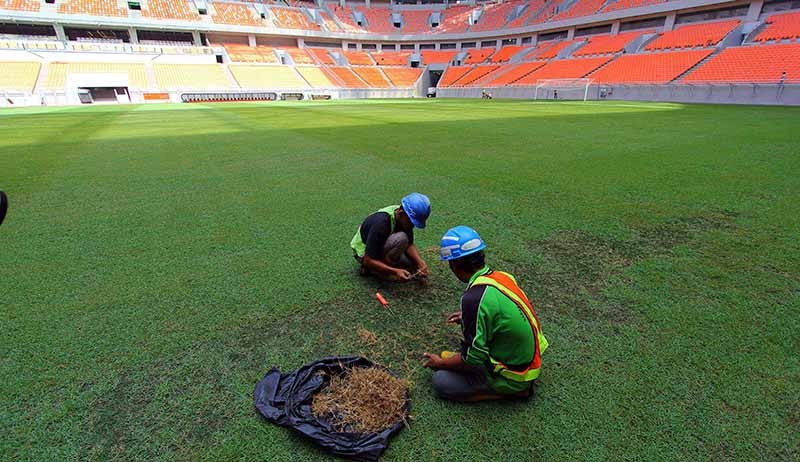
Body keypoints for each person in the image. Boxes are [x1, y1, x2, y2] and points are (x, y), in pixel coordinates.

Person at [423, 226, 549, 402]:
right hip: (526, 358)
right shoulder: (503, 276)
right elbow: (501, 313)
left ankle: (507, 391)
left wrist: (440, 363)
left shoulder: (473, 299)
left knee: (441, 380)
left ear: (454, 265)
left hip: (514, 374)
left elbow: (473, 358)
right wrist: (468, 317)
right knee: (453, 360)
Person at [350, 193, 431, 282]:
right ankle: (373, 270)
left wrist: (420, 262)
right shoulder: (381, 223)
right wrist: (395, 271)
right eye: (411, 222)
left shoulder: (403, 215)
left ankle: (385, 265)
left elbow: (409, 244)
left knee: (410, 263)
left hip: (381, 243)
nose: (412, 226)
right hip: (363, 254)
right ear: (401, 213)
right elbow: (368, 259)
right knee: (402, 238)